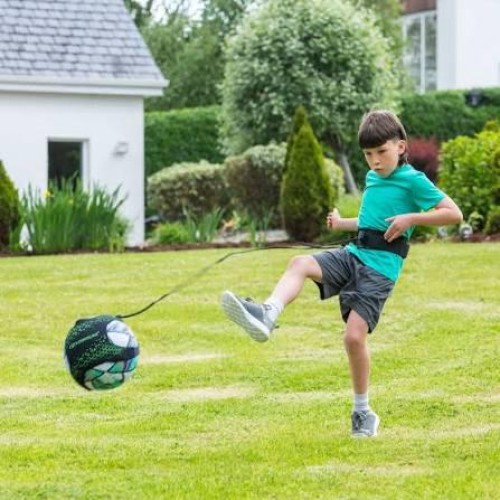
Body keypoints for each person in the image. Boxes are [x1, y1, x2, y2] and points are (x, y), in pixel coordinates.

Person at [221, 110, 463, 438]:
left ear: (401, 147)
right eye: (368, 154)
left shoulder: (413, 180)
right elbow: (371, 221)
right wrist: (342, 223)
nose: (374, 161)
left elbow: (453, 213)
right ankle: (267, 314)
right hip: (354, 254)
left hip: (380, 269)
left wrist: (411, 219)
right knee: (300, 263)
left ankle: (363, 412)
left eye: (381, 152)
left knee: (353, 338)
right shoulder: (373, 177)